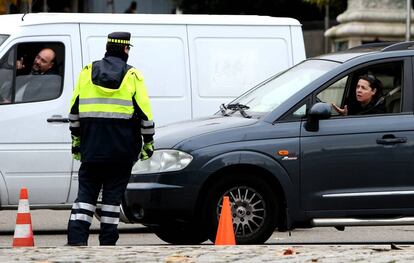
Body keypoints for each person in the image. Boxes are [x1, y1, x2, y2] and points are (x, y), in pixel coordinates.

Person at [67, 32, 155, 246]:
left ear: (107, 47)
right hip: (121, 153)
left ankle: (77, 240)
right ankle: (107, 243)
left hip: (92, 150)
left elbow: (74, 113)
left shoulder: (86, 73)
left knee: (85, 197)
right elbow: (145, 115)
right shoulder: (133, 76)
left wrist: (77, 143)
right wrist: (148, 144)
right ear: (125, 49)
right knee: (112, 200)